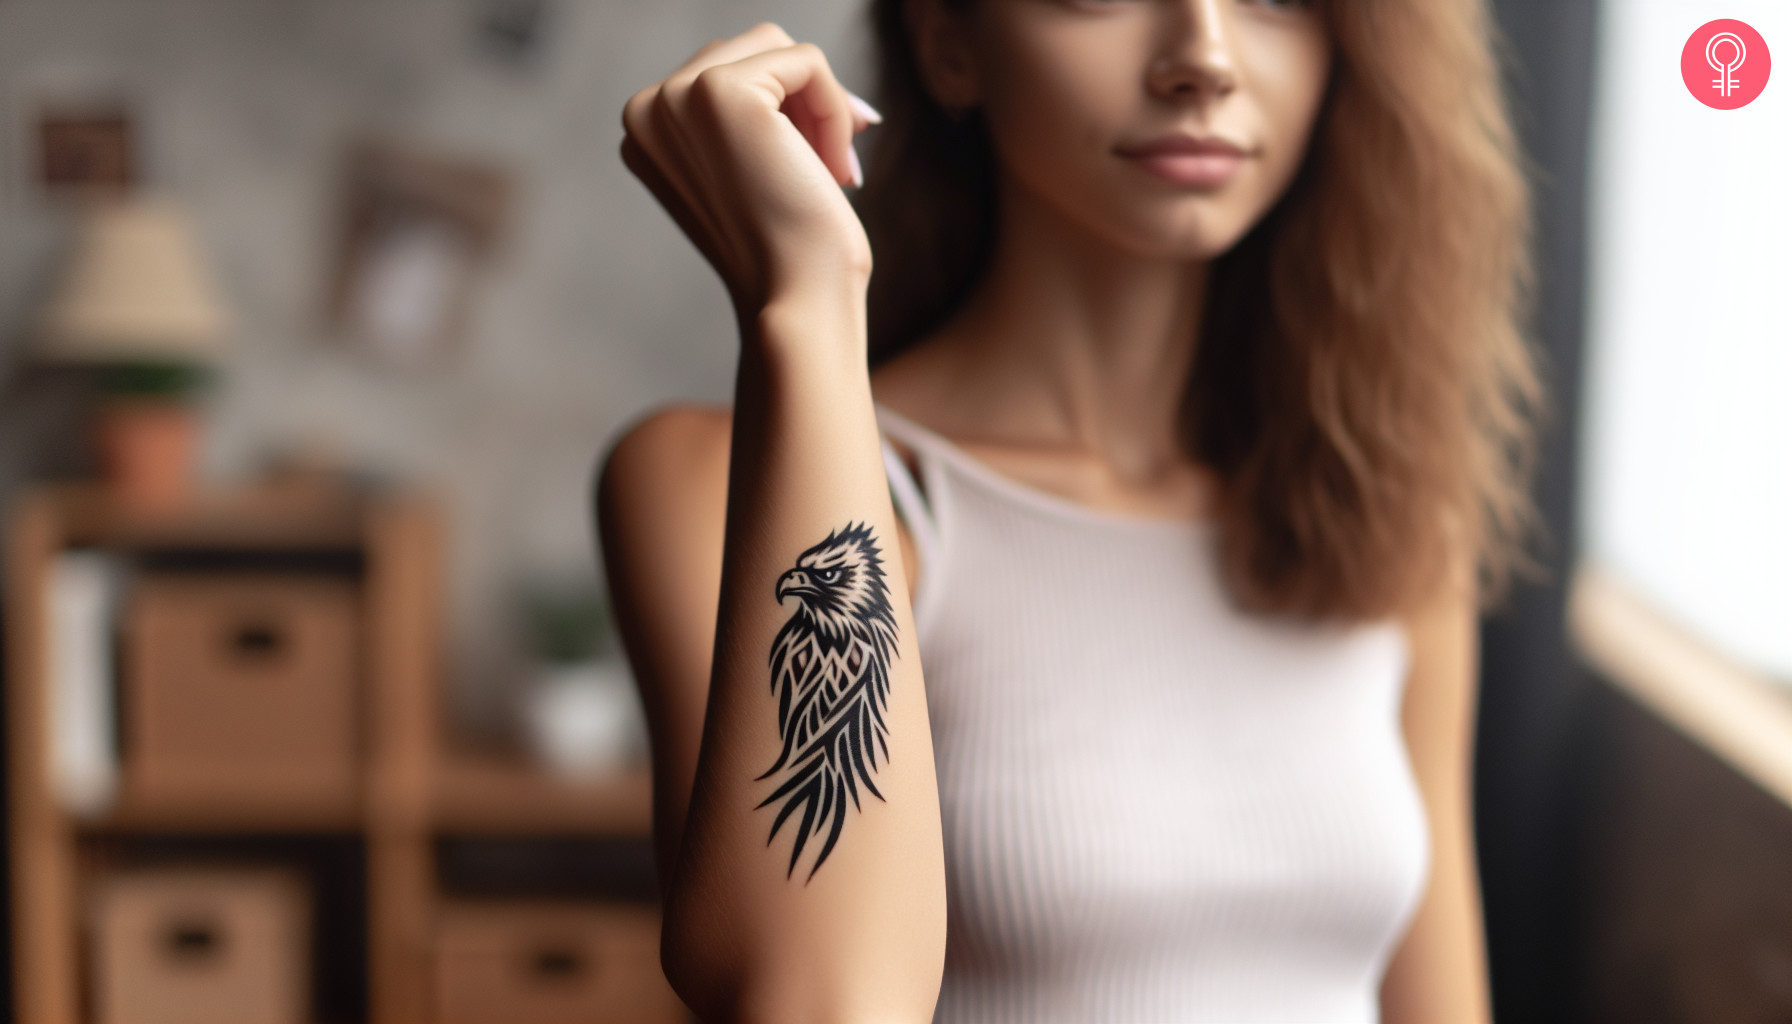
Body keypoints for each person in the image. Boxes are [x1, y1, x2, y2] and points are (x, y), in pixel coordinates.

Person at [599, 0, 1537, 1020]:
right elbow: (813, 1003)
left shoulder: (1378, 508)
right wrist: (806, 303)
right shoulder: (720, 484)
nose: (1203, 59)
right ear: (947, 41)